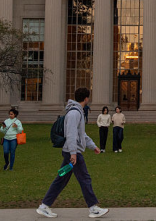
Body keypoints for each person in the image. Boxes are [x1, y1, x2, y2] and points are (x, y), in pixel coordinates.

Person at [36, 88, 109, 219]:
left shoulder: (76, 112)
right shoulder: (75, 113)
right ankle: (93, 208)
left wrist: (93, 146)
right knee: (84, 178)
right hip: (72, 154)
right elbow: (71, 134)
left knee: (61, 178)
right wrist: (73, 153)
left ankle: (44, 205)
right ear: (86, 98)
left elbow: (81, 134)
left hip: (69, 153)